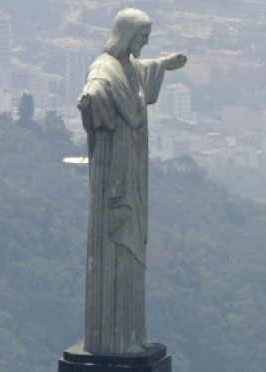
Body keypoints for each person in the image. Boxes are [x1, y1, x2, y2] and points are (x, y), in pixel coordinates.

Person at [79, 8, 187, 354]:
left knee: (132, 250)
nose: (145, 43)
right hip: (115, 171)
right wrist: (91, 98)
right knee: (115, 248)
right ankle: (111, 339)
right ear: (126, 35)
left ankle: (130, 335)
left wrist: (164, 63)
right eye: (142, 38)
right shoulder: (104, 67)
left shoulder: (127, 65)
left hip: (133, 163)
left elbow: (138, 71)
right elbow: (96, 87)